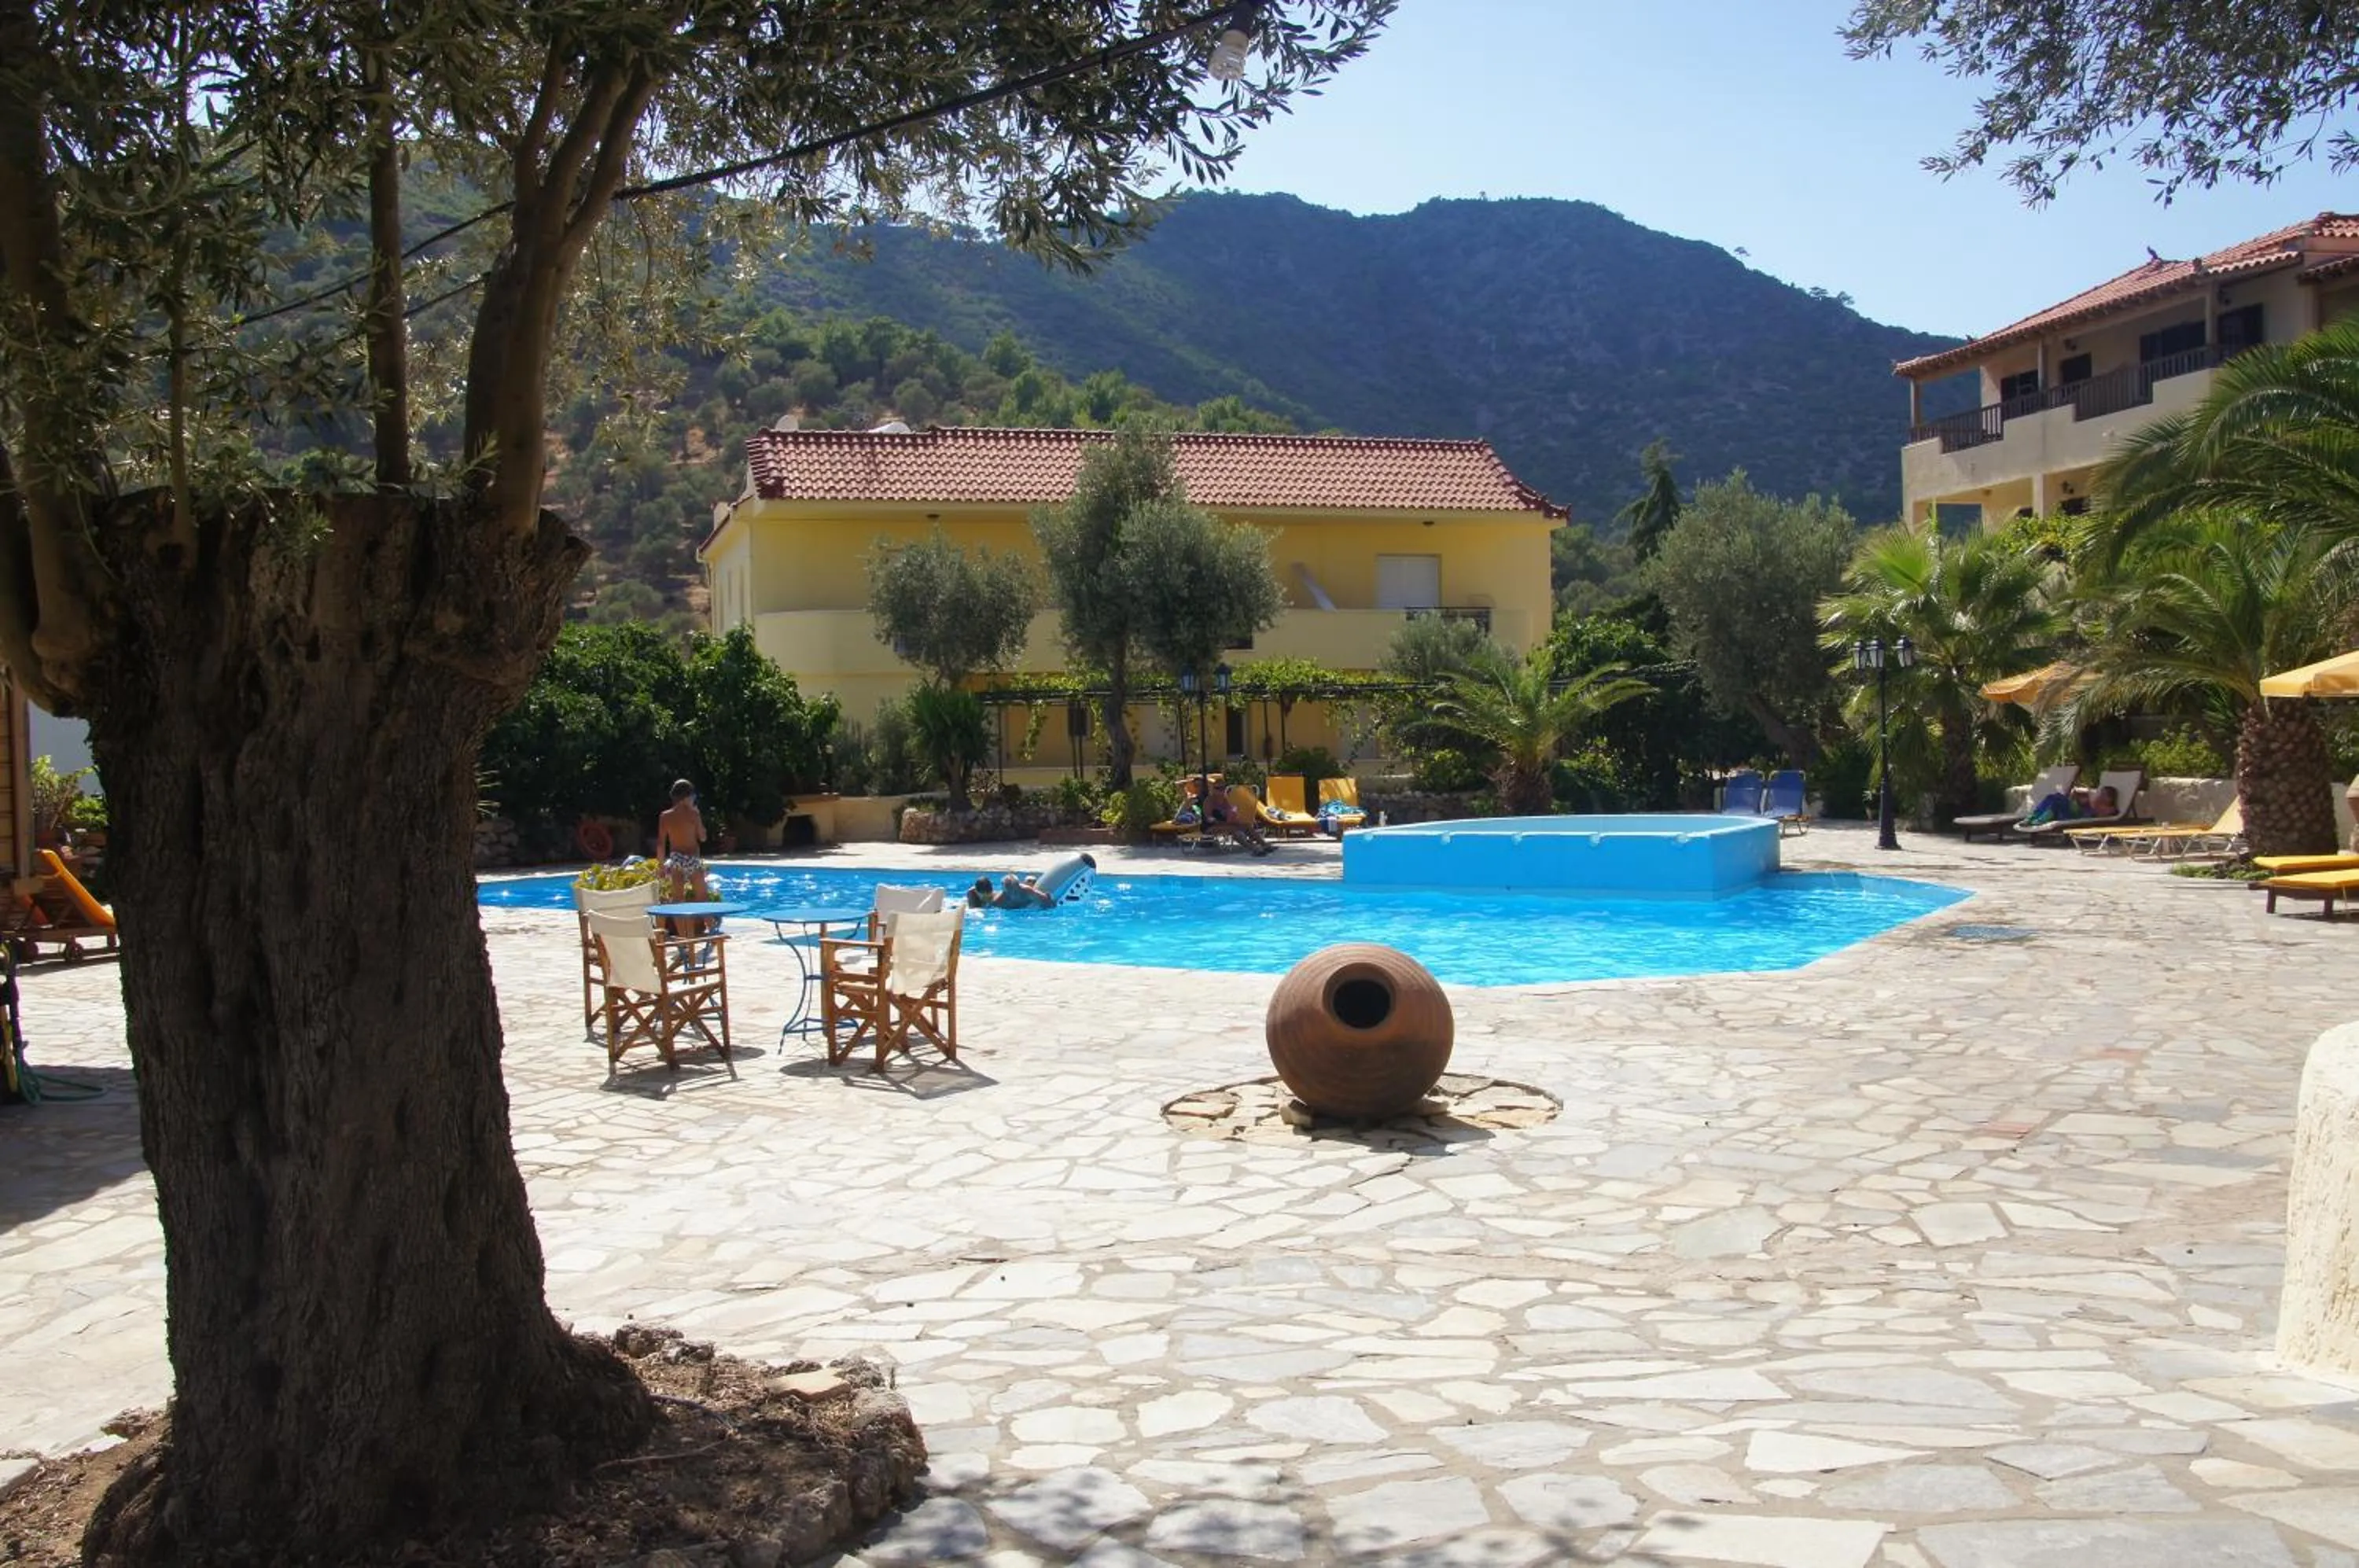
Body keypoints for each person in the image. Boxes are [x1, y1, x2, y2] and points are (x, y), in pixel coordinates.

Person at [657, 778, 712, 933]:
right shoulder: (694, 814)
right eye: (693, 796)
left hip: (676, 860)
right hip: (692, 858)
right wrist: (699, 818)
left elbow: (661, 844)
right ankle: (712, 931)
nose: (694, 799)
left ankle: (683, 938)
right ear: (686, 797)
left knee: (678, 901)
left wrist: (661, 866)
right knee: (702, 898)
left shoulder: (665, 816)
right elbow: (703, 837)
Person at [992, 873, 1057, 910]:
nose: (1012, 893)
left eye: (1014, 889)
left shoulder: (1027, 891)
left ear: (1019, 886)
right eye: (1009, 891)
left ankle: (1029, 881)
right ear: (1004, 890)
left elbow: (1047, 901)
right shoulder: (998, 901)